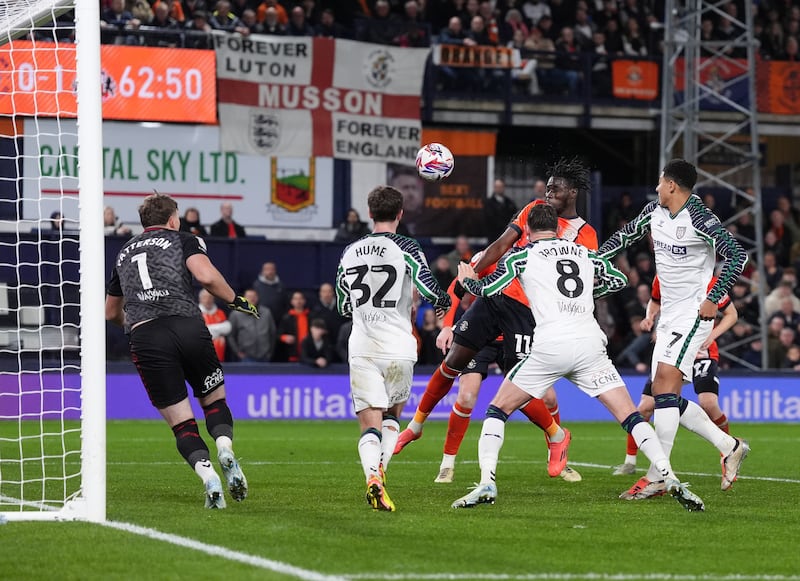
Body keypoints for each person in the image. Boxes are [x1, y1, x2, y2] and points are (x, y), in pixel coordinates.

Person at [450, 204, 705, 512]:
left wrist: (467, 279)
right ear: (558, 229)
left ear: (528, 231)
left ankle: (486, 482)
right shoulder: (584, 254)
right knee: (631, 416)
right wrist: (587, 295)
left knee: (497, 410)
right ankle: (670, 477)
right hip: (589, 345)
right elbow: (618, 280)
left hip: (550, 346)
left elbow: (489, 289)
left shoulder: (522, 255)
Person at [394, 158, 598, 483]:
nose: (548, 194)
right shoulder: (534, 210)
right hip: (496, 296)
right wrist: (472, 274)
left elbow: (582, 287)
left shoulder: (585, 235)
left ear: (572, 192)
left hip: (529, 314)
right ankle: (416, 428)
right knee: (454, 363)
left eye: (555, 189)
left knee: (530, 392)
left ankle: (557, 438)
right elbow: (502, 243)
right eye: (546, 188)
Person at [598, 158, 750, 499]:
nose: (655, 187)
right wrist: (595, 258)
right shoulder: (655, 212)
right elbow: (625, 236)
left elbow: (738, 254)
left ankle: (658, 476)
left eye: (659, 182)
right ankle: (729, 446)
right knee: (662, 397)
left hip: (693, 315)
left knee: (665, 383)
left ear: (671, 185)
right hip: (668, 318)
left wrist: (714, 296)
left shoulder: (699, 217)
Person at [105, 193, 258, 509]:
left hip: (146, 335)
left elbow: (110, 312)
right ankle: (226, 448)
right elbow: (205, 276)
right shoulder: (184, 239)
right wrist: (235, 300)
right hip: (187, 325)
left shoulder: (123, 252)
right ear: (173, 219)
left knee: (181, 422)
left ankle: (208, 478)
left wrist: (131, 324)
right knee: (214, 401)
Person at [335, 185, 451, 511]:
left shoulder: (351, 250)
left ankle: (372, 476)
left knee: (367, 424)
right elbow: (428, 285)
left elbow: (343, 303)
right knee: (391, 418)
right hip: (399, 346)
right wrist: (441, 301)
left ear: (370, 213)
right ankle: (381, 472)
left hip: (363, 346)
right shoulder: (407, 247)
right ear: (400, 214)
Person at [613, 274, 740, 485]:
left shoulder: (707, 280)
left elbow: (731, 314)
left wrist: (711, 336)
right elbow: (655, 302)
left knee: (707, 402)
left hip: (701, 352)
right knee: (647, 405)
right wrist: (650, 318)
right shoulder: (662, 275)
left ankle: (724, 452)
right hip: (669, 349)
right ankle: (632, 462)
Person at [227, 288, 276, 362]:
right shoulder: (236, 314)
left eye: (254, 296)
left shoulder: (266, 312)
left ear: (258, 297)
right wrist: (237, 352)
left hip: (264, 356)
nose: (252, 299)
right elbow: (230, 335)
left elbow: (272, 333)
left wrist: (269, 352)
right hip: (246, 356)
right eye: (249, 296)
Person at [198, 288, 231, 362]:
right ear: (200, 299)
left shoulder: (220, 313)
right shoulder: (196, 313)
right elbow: (198, 332)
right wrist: (218, 331)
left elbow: (228, 328)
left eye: (210, 297)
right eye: (205, 297)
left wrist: (210, 330)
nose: (208, 300)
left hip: (220, 357)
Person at [276, 290, 310, 362]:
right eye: (296, 299)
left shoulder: (311, 317)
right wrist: (285, 338)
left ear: (304, 301)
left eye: (300, 298)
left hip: (309, 356)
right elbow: (278, 334)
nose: (298, 301)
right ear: (292, 301)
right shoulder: (286, 318)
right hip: (292, 356)